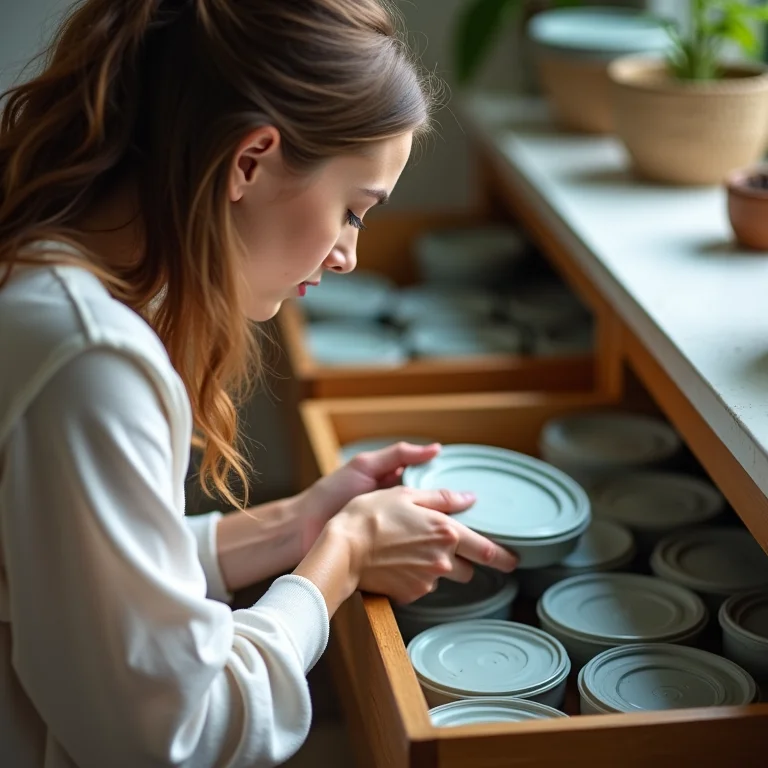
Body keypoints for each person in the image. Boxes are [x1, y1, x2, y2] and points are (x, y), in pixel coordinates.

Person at [0, 1, 518, 766]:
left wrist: (296, 524)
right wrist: (337, 560)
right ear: (251, 160)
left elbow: (79, 572)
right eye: (352, 209)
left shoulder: (51, 285)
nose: (346, 253)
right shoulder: (90, 360)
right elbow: (181, 730)